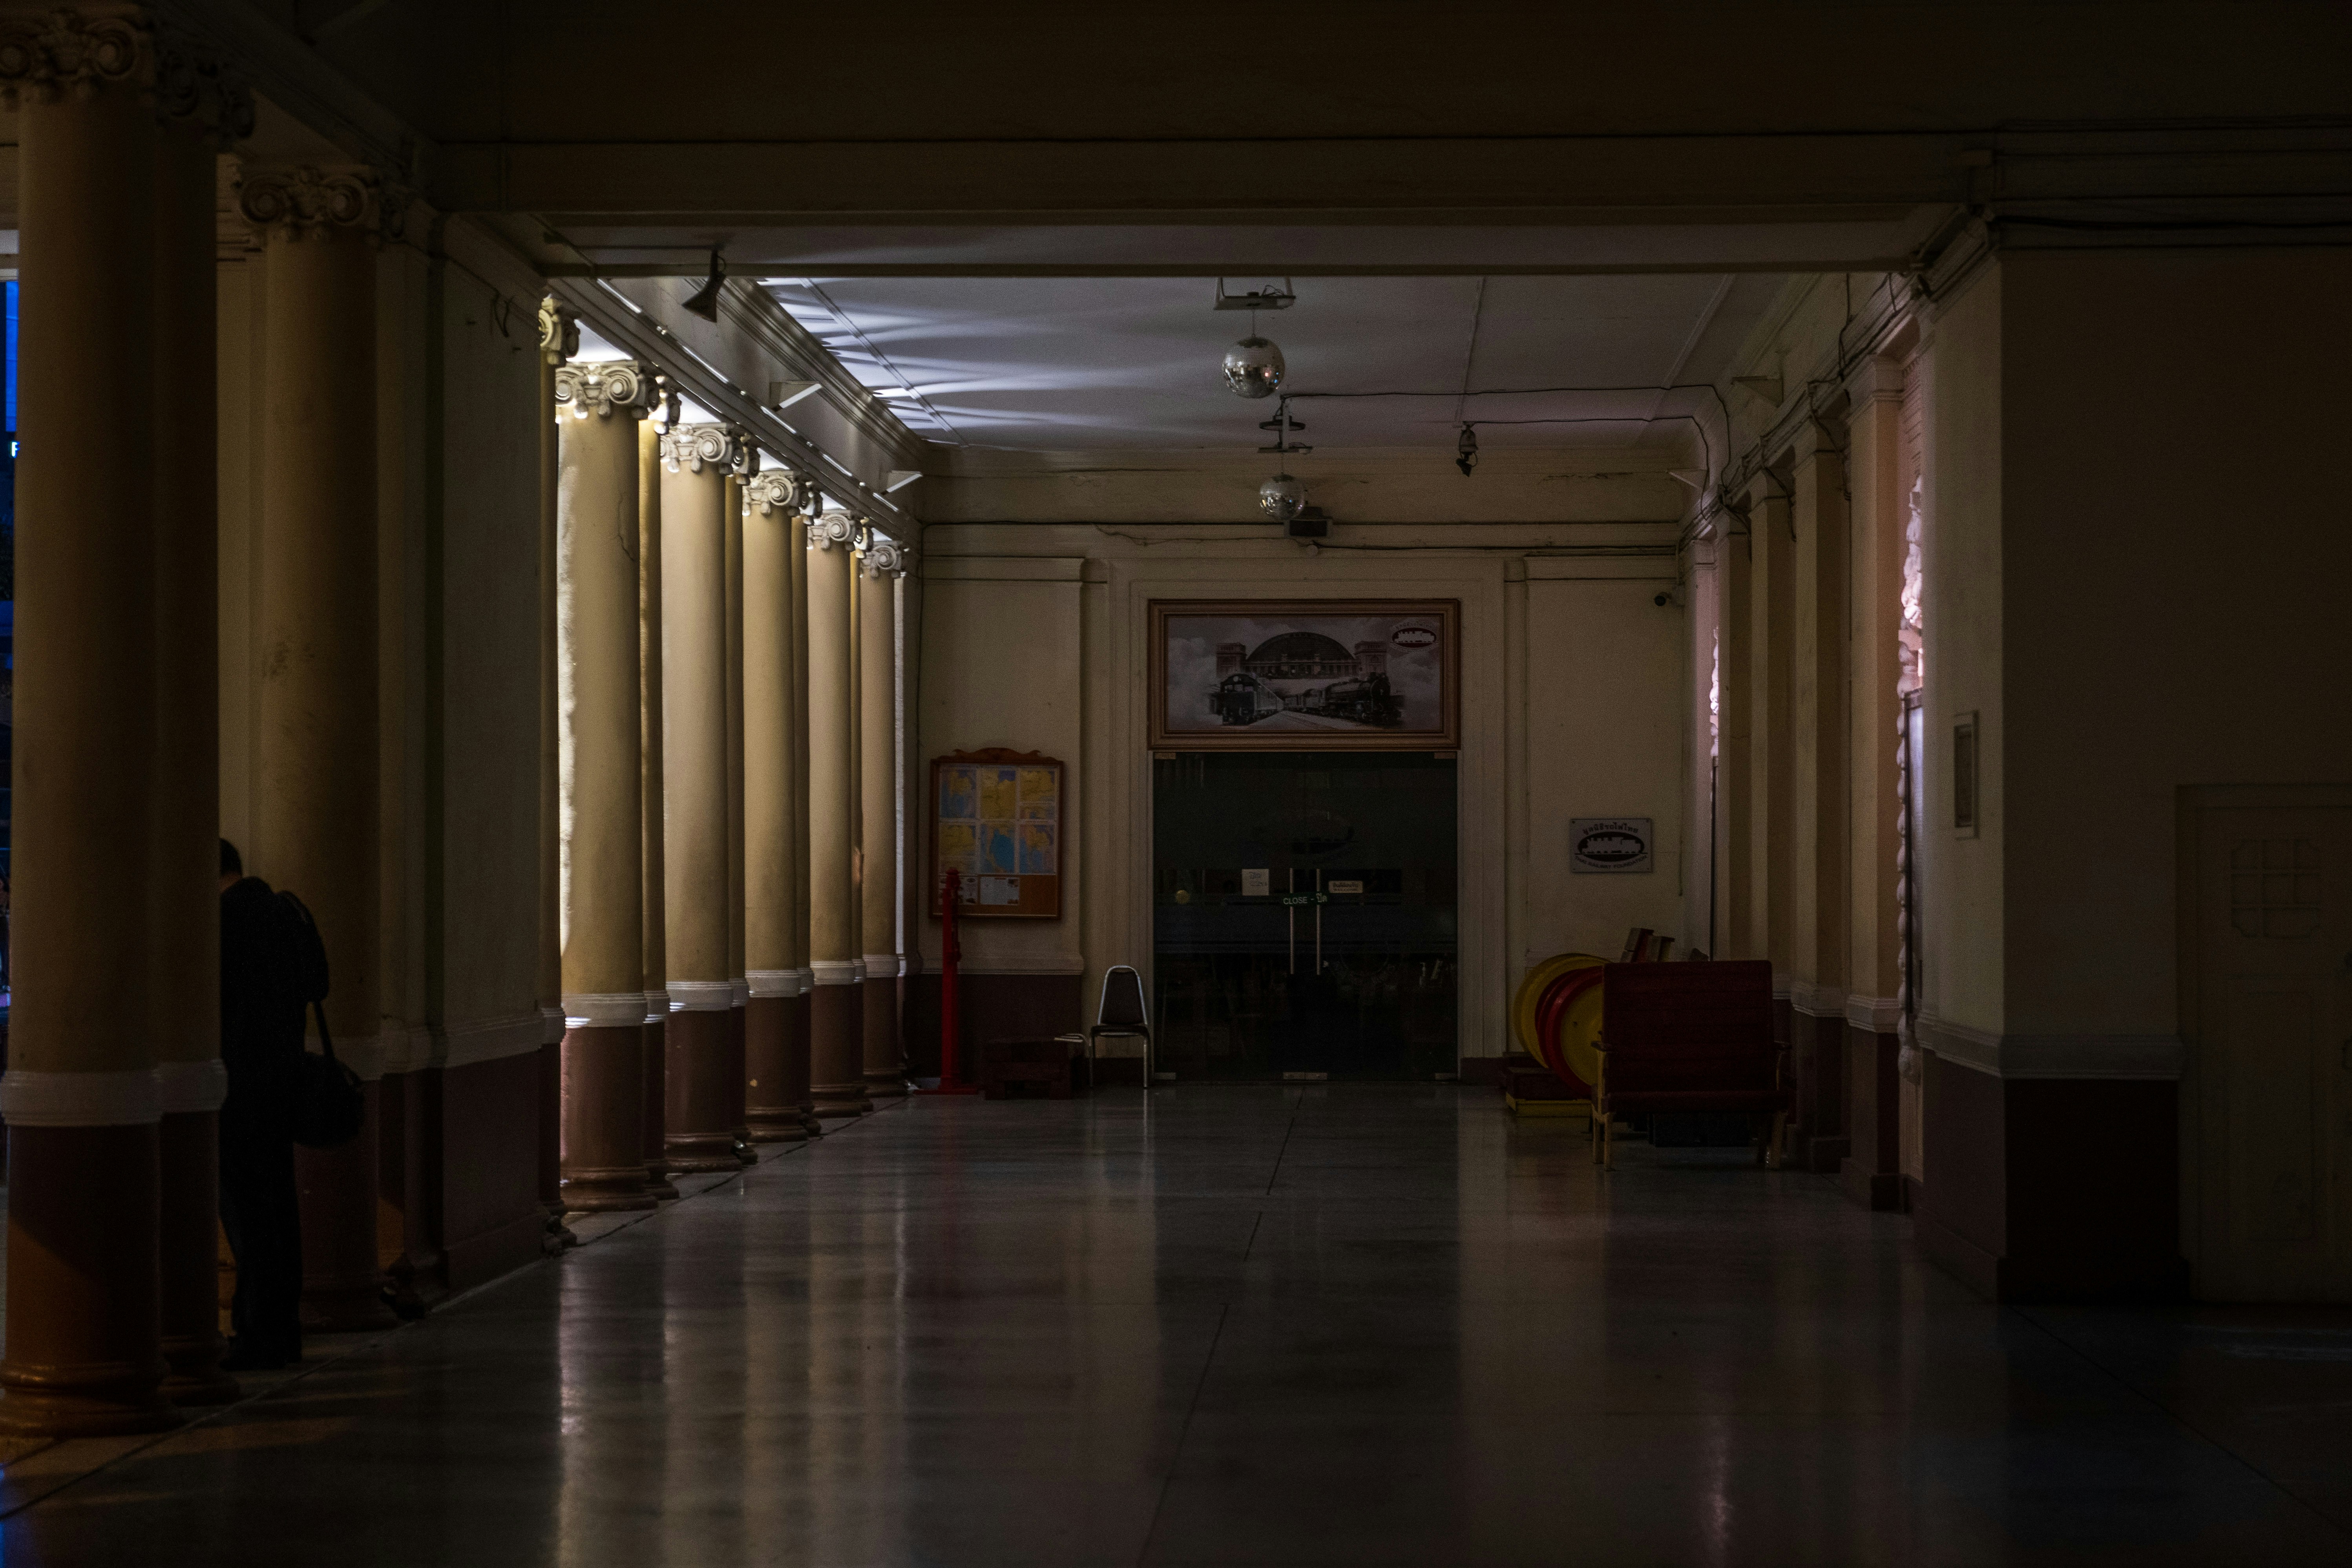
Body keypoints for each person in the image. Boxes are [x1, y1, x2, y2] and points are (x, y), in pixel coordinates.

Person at [217, 838, 306, 1370]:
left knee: (247, 1216)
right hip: (282, 1083)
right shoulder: (283, 911)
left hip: (236, 1088)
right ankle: (282, 1328)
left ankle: (257, 1333)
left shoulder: (226, 924)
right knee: (278, 1207)